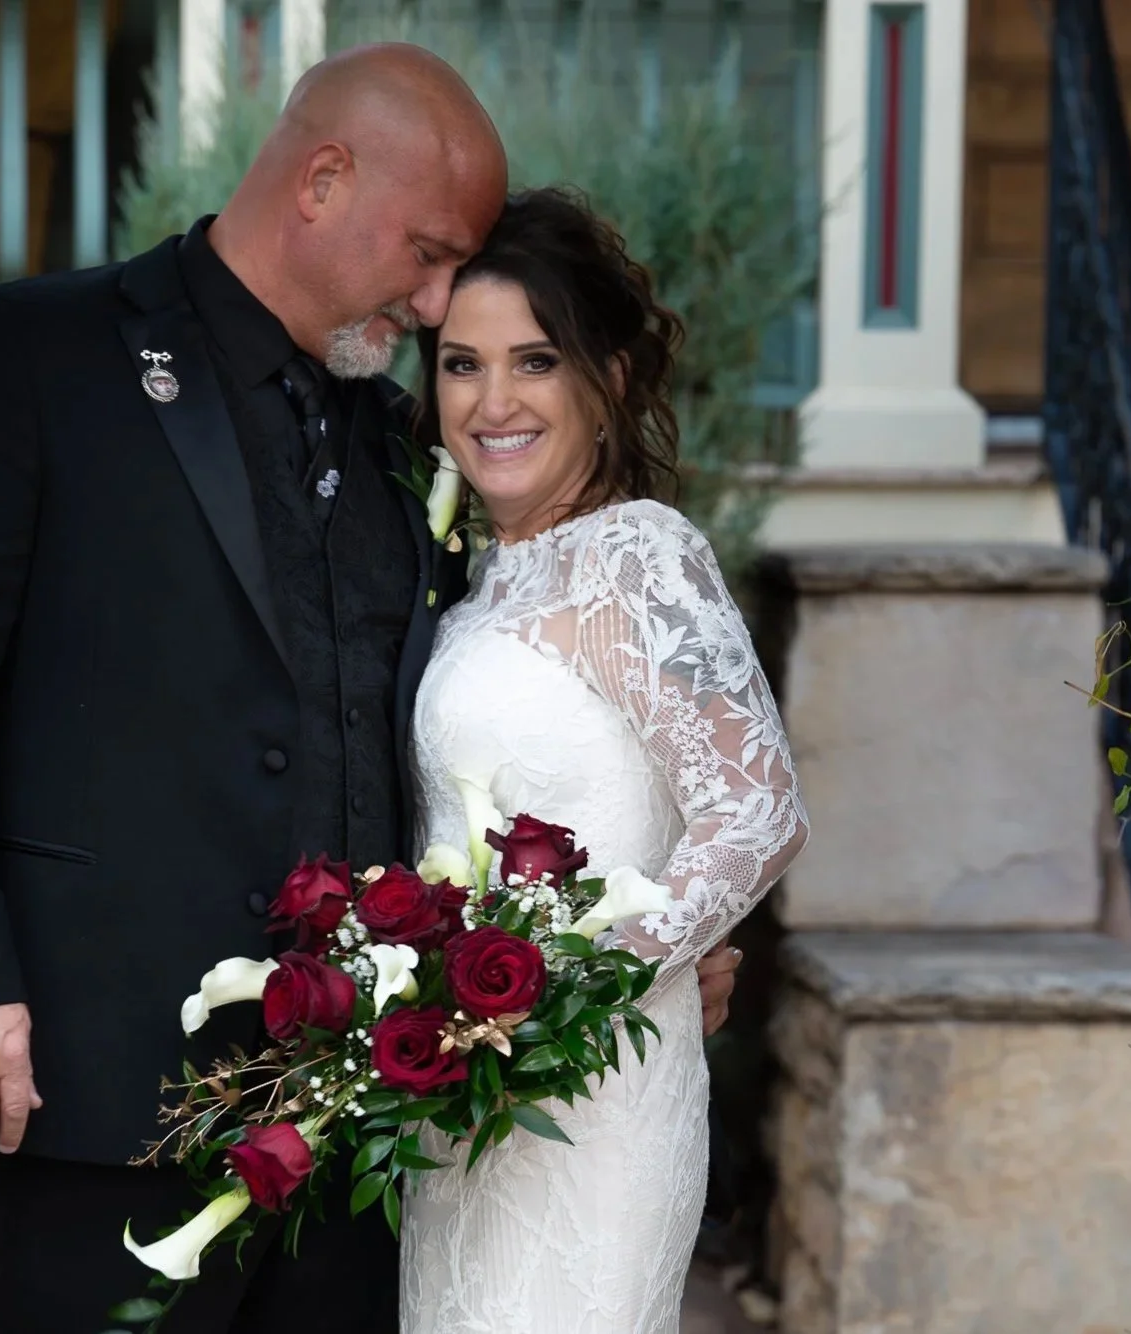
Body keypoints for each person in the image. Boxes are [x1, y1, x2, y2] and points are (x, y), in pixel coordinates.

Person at [0, 43, 743, 1334]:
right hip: (104, 1084)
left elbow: (514, 717)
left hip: (371, 1114)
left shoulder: (401, 433)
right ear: (322, 179)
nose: (440, 306)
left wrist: (647, 925)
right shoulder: (33, 355)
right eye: (429, 253)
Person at [398, 187, 808, 1333]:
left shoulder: (636, 555)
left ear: (610, 379)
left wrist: (589, 983)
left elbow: (758, 809)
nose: (492, 401)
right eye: (461, 364)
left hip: (591, 1096)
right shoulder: (493, 575)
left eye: (535, 360)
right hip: (472, 1101)